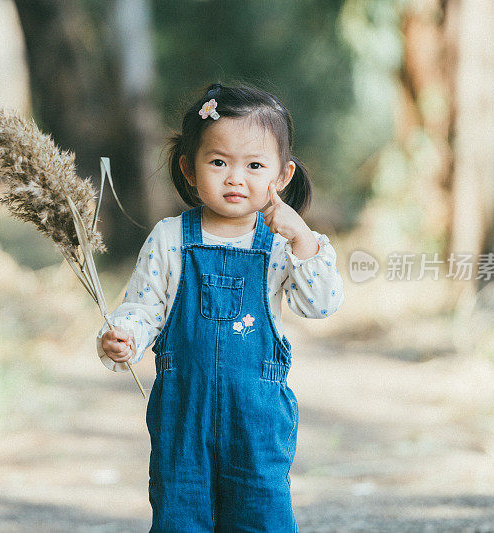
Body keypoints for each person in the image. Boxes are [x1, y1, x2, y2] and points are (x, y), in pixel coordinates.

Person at [96, 82, 345, 532]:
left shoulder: (282, 246)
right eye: (218, 162)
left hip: (257, 424)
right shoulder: (169, 239)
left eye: (254, 165)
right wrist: (124, 336)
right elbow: (144, 306)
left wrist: (302, 237)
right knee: (180, 515)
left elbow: (321, 304)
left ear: (281, 176)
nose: (235, 177)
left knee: (261, 515)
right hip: (182, 420)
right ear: (189, 169)